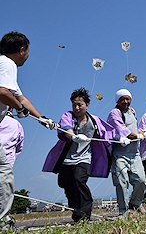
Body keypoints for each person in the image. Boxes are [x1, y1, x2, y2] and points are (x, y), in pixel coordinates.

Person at [0, 31, 57, 223]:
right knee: (4, 173)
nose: (28, 55)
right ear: (22, 50)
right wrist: (19, 108)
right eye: (28, 51)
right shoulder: (8, 63)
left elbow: (20, 97)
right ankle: (2, 220)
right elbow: (2, 91)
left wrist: (41, 118)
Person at [42, 88, 115, 222]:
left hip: (84, 158)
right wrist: (74, 136)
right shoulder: (68, 116)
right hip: (67, 160)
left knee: (79, 181)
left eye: (79, 104)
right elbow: (65, 128)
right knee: (66, 185)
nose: (76, 108)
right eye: (74, 104)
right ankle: (76, 210)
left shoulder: (94, 121)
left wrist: (120, 138)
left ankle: (84, 215)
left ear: (87, 105)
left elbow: (108, 133)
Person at [107, 89, 146, 215]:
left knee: (141, 180)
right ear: (117, 101)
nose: (125, 101)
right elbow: (121, 128)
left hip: (135, 153)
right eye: (122, 99)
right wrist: (134, 136)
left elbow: (135, 127)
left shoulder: (133, 111)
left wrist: (142, 134)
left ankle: (135, 203)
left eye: (127, 99)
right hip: (120, 154)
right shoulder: (114, 113)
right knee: (121, 182)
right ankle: (123, 211)